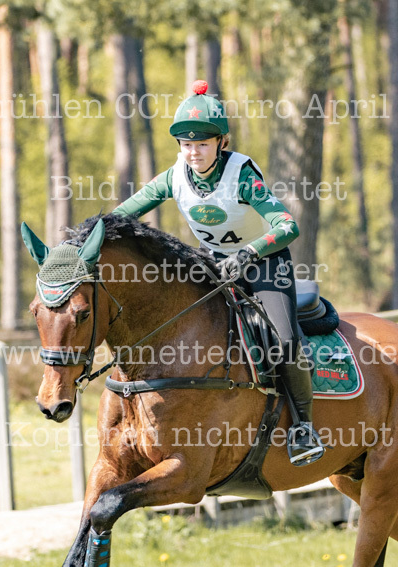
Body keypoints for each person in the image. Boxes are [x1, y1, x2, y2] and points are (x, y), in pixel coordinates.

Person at [113, 80, 325, 466]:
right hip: (213, 264)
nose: (193, 152)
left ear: (221, 142)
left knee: (283, 339)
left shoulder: (242, 176)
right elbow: (123, 214)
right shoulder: (174, 177)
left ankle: (303, 427)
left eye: (202, 144)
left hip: (264, 263)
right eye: (186, 144)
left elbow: (287, 226)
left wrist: (248, 252)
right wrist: (87, 236)